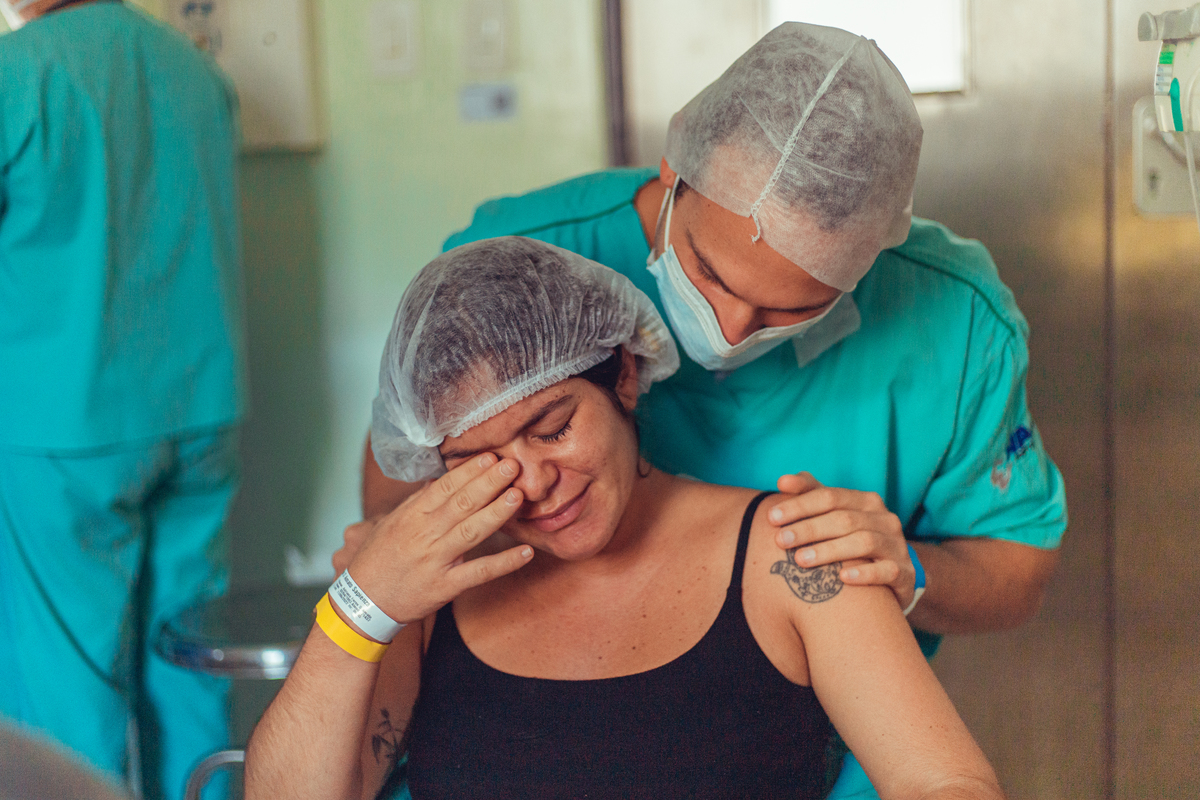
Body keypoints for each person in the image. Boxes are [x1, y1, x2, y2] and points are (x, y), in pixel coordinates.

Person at [351, 22, 1067, 798]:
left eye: (787, 310)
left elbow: (1016, 574)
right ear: (675, 170)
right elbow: (397, 503)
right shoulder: (523, 264)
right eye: (710, 275)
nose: (726, 333)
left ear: (868, 267)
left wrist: (909, 570)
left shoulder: (954, 325)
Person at [246, 236, 1006, 800]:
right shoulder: (427, 591)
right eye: (482, 461)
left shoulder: (790, 553)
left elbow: (950, 785)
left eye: (552, 428)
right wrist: (361, 605)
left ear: (626, 375)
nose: (535, 482)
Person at [0, 2, 245, 799]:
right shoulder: (196, 71)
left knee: (67, 679)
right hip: (201, 405)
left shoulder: (19, 72)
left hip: (63, 421)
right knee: (186, 657)